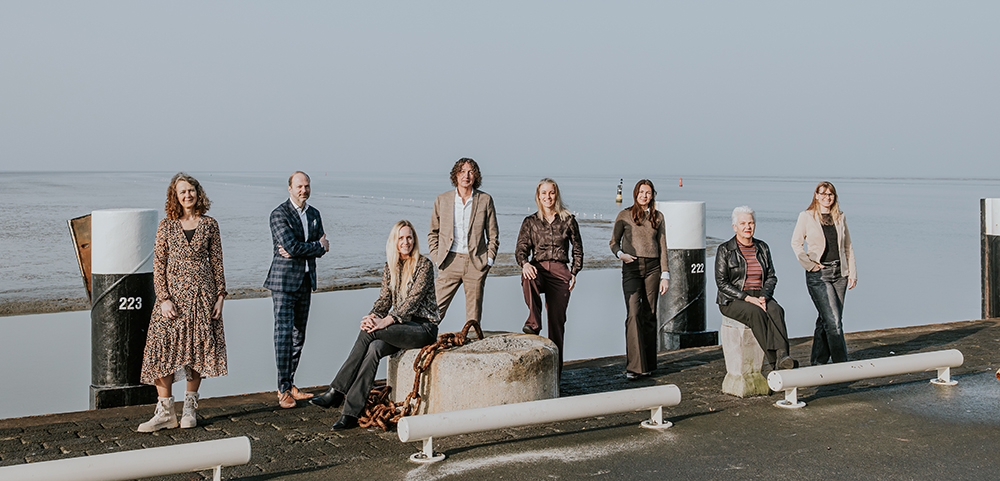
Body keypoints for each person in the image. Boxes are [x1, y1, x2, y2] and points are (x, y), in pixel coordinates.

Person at [310, 220, 440, 430]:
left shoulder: (423, 265)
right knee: (373, 348)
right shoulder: (390, 267)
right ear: (394, 242)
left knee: (370, 335)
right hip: (400, 328)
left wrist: (385, 321)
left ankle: (337, 390)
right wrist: (372, 317)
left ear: (414, 240)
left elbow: (411, 302)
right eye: (401, 238)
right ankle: (351, 413)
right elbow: (384, 301)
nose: (406, 242)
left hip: (422, 329)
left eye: (409, 237)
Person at [138, 173, 227, 432]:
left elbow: (217, 263)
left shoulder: (210, 225)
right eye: (182, 192)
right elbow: (158, 265)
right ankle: (165, 411)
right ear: (175, 197)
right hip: (172, 298)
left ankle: (189, 409)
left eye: (191, 190)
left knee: (195, 352)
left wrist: (221, 297)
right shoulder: (166, 225)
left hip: (202, 295)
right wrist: (163, 298)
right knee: (159, 348)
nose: (187, 195)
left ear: (198, 193)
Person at [264, 171, 330, 409]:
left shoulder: (314, 214)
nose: (304, 190)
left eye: (307, 186)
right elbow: (291, 245)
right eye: (299, 186)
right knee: (283, 336)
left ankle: (290, 384)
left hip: (305, 280)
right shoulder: (278, 214)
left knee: (298, 336)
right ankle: (282, 389)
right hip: (283, 283)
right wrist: (314, 246)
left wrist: (308, 248)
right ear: (290, 188)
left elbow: (322, 247)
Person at [716, 206, 796, 370]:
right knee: (756, 312)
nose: (748, 227)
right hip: (733, 299)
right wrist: (747, 298)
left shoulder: (762, 247)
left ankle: (783, 356)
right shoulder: (724, 250)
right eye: (743, 223)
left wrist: (764, 296)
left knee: (776, 310)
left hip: (760, 295)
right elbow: (722, 283)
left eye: (751, 223)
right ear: (735, 227)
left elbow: (772, 276)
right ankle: (774, 363)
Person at [515, 178, 583, 372]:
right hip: (539, 269)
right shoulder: (530, 222)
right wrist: (525, 263)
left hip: (561, 272)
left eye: (551, 193)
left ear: (556, 195)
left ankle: (556, 373)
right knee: (528, 276)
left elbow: (577, 248)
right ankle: (534, 322)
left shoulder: (568, 220)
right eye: (544, 193)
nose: (548, 197)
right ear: (538, 196)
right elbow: (521, 249)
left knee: (557, 324)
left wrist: (575, 272)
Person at [791, 182, 858, 365]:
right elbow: (796, 243)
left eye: (830, 194)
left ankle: (818, 362)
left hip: (840, 274)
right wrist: (810, 265)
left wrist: (852, 272)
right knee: (834, 322)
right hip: (819, 275)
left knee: (826, 319)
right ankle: (841, 365)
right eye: (823, 194)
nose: (827, 197)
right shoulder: (806, 216)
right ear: (816, 195)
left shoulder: (840, 217)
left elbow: (847, 246)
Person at [428, 158, 500, 326]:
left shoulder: (485, 200)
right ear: (456, 175)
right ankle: (421, 343)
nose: (466, 176)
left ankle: (473, 348)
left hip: (476, 264)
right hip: (448, 262)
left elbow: (493, 235)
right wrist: (437, 258)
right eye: (462, 171)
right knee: (433, 314)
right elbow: (433, 233)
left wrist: (488, 260)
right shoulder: (442, 199)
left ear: (476, 176)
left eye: (470, 172)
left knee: (473, 319)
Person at [610, 180, 669, 380]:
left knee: (650, 314)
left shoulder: (658, 217)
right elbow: (613, 242)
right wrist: (621, 255)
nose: (645, 196)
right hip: (631, 268)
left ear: (653, 195)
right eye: (642, 192)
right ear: (635, 193)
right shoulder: (624, 214)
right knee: (633, 313)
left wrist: (665, 274)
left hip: (653, 268)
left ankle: (649, 364)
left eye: (648, 192)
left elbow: (662, 246)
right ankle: (635, 367)